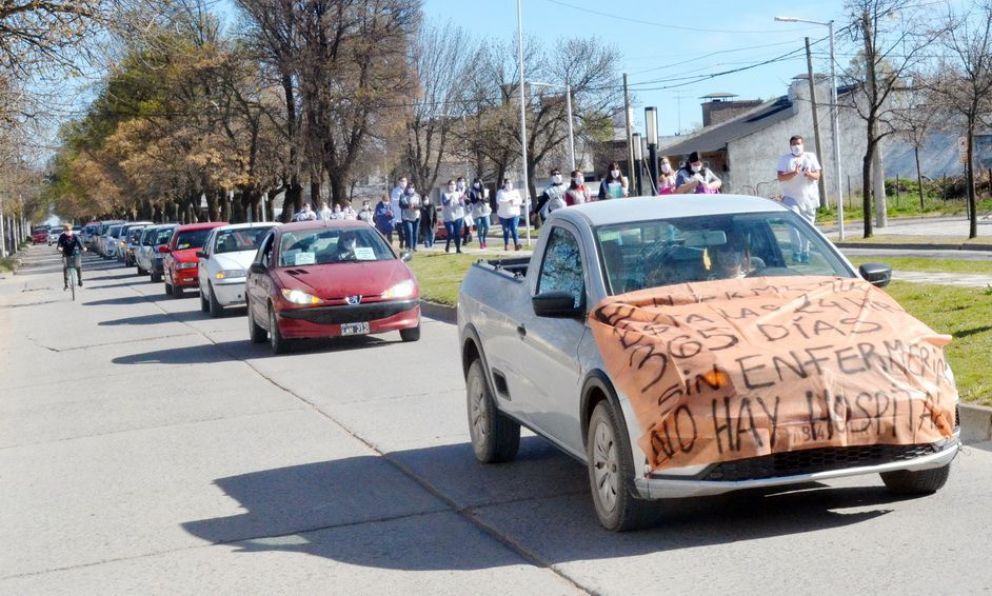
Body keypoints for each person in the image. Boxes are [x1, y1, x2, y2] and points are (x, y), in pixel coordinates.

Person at [776, 135, 822, 263]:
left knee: (808, 227)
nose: (797, 146)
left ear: (803, 144)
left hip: (809, 197)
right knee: (794, 225)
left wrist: (809, 174)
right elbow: (780, 177)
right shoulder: (785, 159)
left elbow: (817, 175)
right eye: (794, 144)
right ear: (790, 146)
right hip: (791, 197)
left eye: (799, 144)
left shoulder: (810, 157)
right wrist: (793, 173)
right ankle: (796, 252)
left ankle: (805, 253)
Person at [496, 178, 522, 251]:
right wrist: (508, 201)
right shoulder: (501, 192)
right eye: (507, 183)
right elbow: (499, 201)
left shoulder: (516, 192)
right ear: (504, 184)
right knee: (506, 230)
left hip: (514, 214)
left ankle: (516, 244)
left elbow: (519, 201)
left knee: (514, 229)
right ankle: (506, 244)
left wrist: (513, 201)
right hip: (504, 215)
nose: (509, 184)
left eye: (510, 182)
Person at [57, 223, 85, 289]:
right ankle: (66, 284)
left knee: (78, 266)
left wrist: (83, 248)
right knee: (65, 268)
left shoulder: (75, 236)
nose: (68, 231)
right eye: (66, 230)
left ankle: (80, 280)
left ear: (71, 230)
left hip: (76, 254)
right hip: (66, 254)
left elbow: (80, 243)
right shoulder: (62, 237)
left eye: (69, 230)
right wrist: (59, 248)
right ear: (64, 231)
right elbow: (59, 244)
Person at [441, 179, 466, 253]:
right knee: (451, 233)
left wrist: (461, 200)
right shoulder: (444, 194)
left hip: (458, 215)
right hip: (448, 217)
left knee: (457, 233)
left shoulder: (459, 193)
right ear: (448, 186)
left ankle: (458, 249)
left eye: (454, 184)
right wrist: (450, 199)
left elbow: (462, 205)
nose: (452, 186)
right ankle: (448, 245)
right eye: (451, 184)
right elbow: (445, 203)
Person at [468, 178, 491, 250]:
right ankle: (481, 243)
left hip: (485, 211)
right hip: (476, 212)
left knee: (487, 226)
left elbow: (488, 200)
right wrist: (478, 198)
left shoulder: (486, 191)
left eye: (478, 182)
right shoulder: (472, 191)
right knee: (479, 228)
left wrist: (482, 199)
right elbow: (473, 201)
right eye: (475, 182)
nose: (477, 184)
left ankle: (484, 239)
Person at [399, 182, 421, 251]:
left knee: (415, 232)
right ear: (407, 188)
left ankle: (414, 247)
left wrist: (415, 206)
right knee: (410, 231)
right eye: (409, 187)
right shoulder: (402, 196)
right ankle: (410, 247)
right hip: (406, 217)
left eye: (412, 187)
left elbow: (421, 205)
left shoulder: (417, 195)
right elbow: (400, 205)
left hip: (416, 216)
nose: (411, 189)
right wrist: (408, 206)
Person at [390, 176, 408, 248]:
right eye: (402, 181)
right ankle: (401, 242)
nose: (403, 182)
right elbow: (393, 202)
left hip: (407, 214)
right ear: (399, 182)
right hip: (398, 214)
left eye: (404, 181)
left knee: (407, 230)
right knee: (400, 230)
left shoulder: (409, 190)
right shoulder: (395, 191)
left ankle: (407, 244)